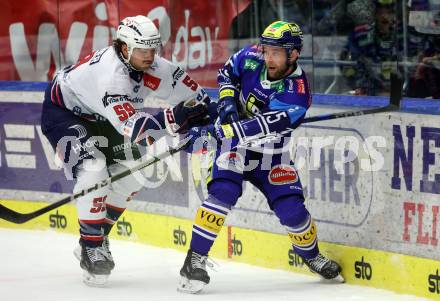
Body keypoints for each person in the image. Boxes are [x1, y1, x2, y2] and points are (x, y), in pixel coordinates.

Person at [41, 15, 210, 286]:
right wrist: (177, 117)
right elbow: (141, 132)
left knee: (134, 172)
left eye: (153, 49)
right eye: (142, 50)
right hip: (65, 114)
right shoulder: (111, 77)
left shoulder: (154, 65)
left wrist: (216, 115)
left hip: (102, 117)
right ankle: (91, 247)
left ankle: (97, 236)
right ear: (123, 48)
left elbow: (198, 99)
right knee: (93, 168)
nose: (150, 55)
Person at [178, 20, 343, 294]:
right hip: (234, 146)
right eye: (266, 50)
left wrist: (214, 132)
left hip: (271, 154)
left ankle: (311, 255)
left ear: (293, 54)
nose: (268, 57)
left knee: (293, 210)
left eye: (276, 52)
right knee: (223, 193)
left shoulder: (296, 93)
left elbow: (261, 127)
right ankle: (194, 261)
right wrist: (228, 100)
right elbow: (227, 72)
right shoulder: (252, 55)